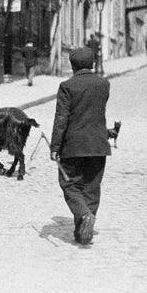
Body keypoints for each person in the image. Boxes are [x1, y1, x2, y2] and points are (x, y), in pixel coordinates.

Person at [50, 47, 111, 246]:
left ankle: (84, 215)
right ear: (93, 63)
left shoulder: (67, 86)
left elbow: (61, 119)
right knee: (92, 188)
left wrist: (54, 146)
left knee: (70, 185)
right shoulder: (104, 85)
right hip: (98, 145)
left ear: (72, 65)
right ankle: (83, 232)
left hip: (73, 146)